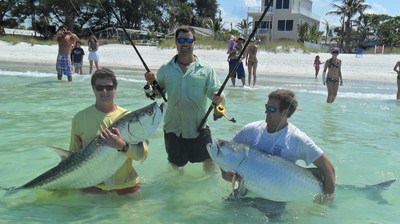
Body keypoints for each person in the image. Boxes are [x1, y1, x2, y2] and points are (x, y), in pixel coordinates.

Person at [221, 89, 336, 204]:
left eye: (271, 109)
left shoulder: (297, 139)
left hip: (275, 200)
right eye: (266, 107)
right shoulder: (250, 130)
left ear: (285, 113)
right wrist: (225, 174)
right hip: (244, 193)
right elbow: (223, 154)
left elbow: (329, 169)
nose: (266, 112)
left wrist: (325, 202)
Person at [144, 25, 224, 171]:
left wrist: (217, 98)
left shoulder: (206, 69)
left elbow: (214, 92)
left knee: (209, 162)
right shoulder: (165, 69)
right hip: (173, 128)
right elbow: (155, 94)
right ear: (176, 42)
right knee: (175, 166)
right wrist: (150, 83)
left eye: (188, 40)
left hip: (199, 127)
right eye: (181, 40)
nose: (185, 43)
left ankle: (208, 189)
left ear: (194, 42)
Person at [69, 68, 148, 195]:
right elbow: (72, 157)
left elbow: (141, 155)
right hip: (93, 188)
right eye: (99, 88)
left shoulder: (129, 117)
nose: (104, 91)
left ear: (115, 88)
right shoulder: (79, 118)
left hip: (127, 187)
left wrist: (121, 145)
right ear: (93, 88)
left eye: (109, 87)